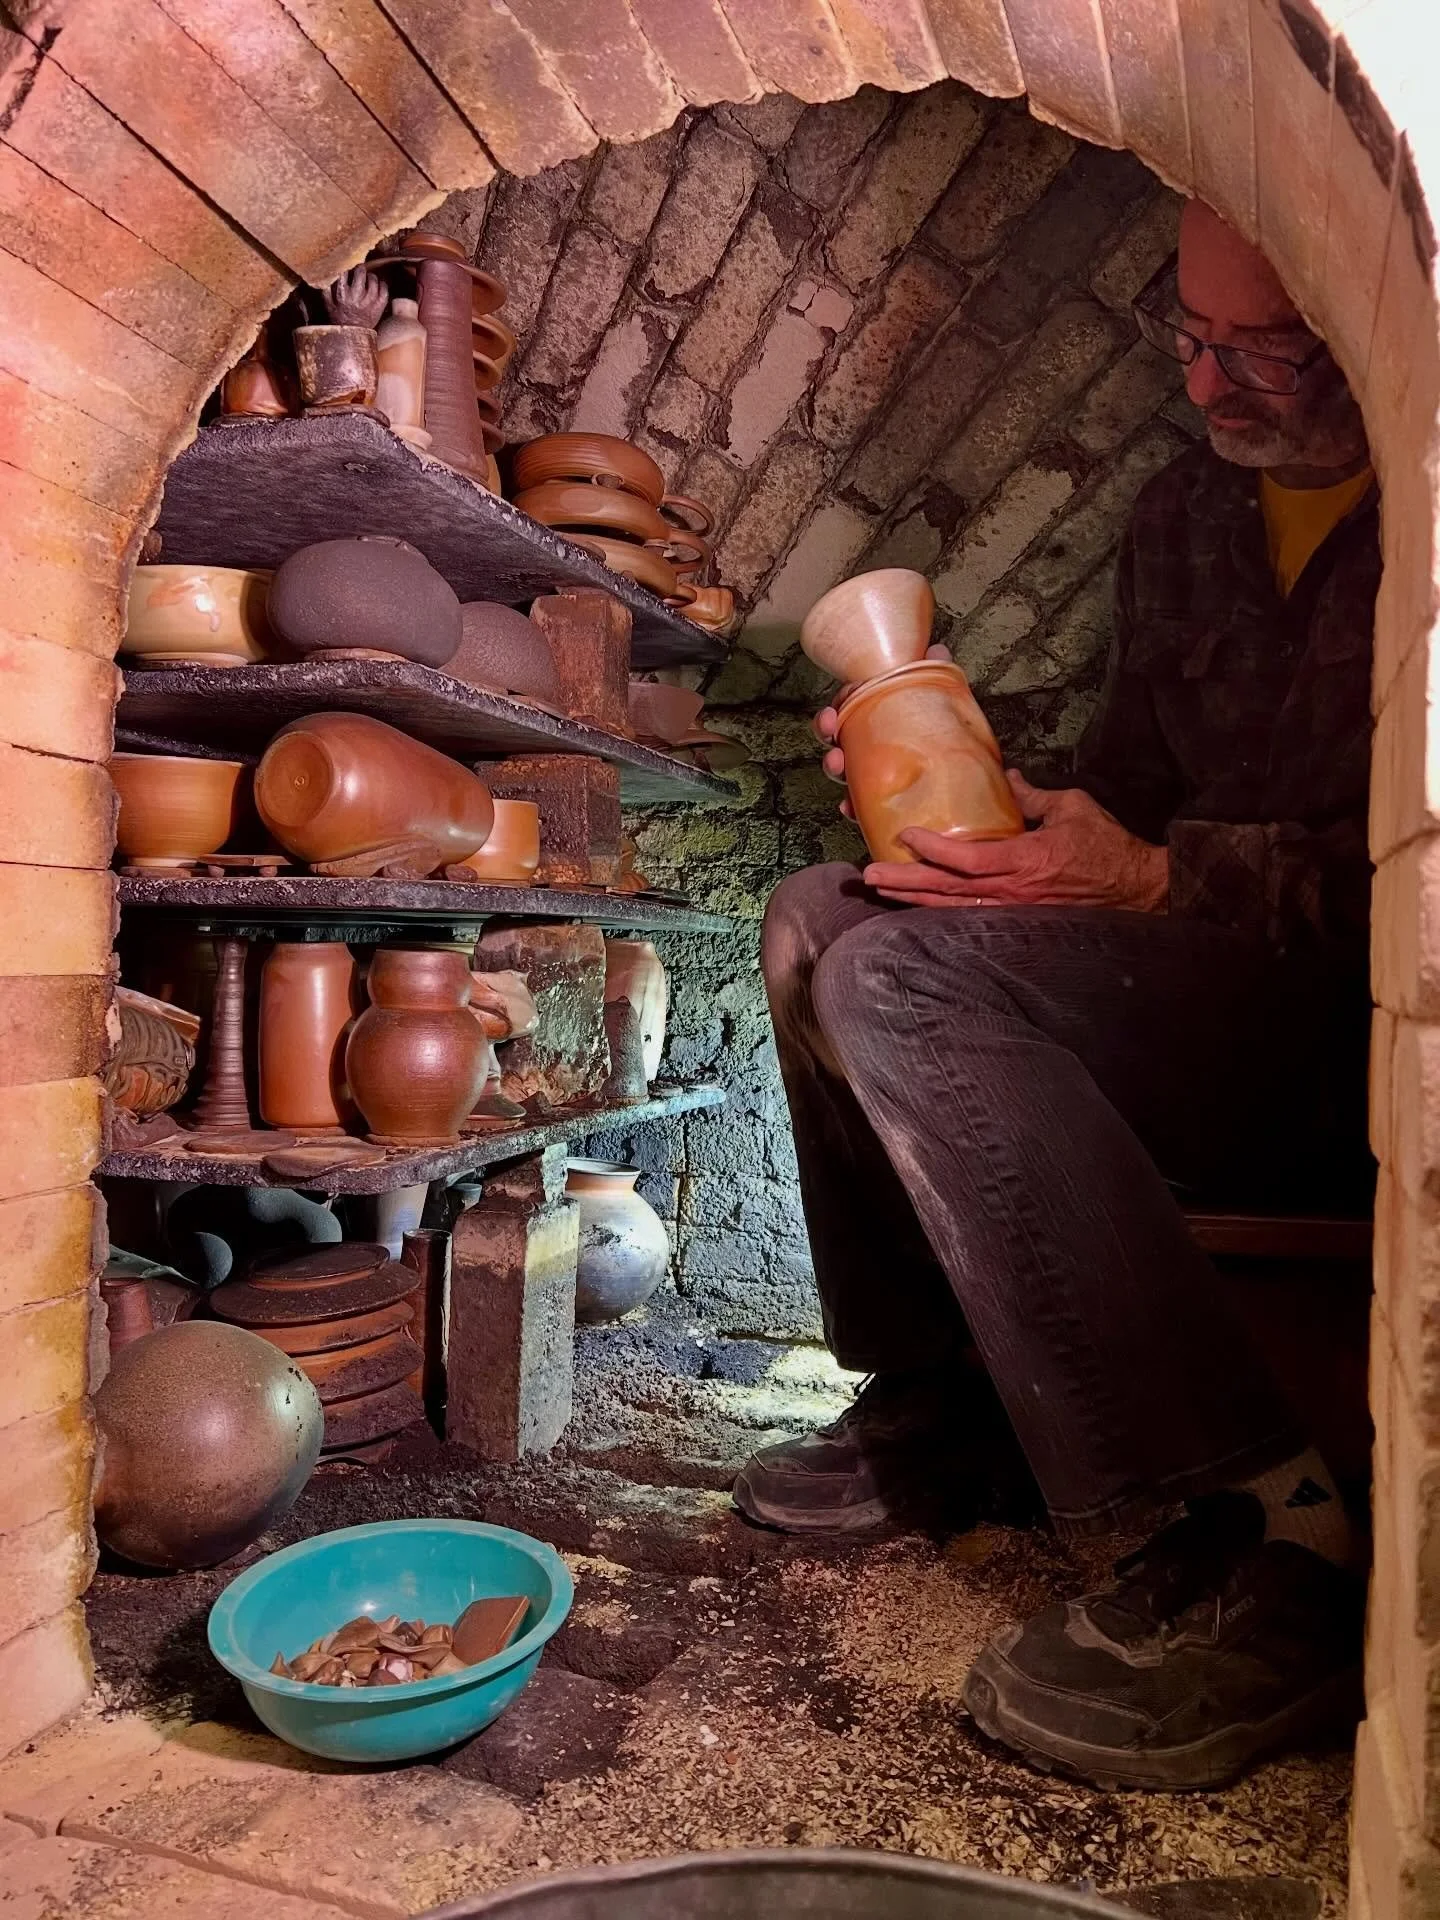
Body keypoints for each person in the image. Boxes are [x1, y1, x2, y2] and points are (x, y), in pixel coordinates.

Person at [732, 198, 1379, 1791]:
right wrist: (986, 805)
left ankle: (1281, 1537)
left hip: (1349, 1024)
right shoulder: (1184, 520)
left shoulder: (1427, 507)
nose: (1214, 387)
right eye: (1191, 339)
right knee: (825, 910)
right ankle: (953, 1401)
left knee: (904, 981)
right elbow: (1131, 791)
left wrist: (1158, 882)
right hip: (1189, 987)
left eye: (1268, 352)